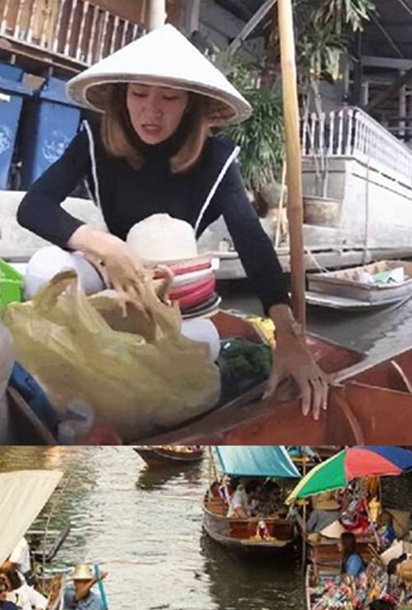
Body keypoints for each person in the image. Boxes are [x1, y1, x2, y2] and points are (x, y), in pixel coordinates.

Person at [16, 25, 328, 419]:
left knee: (207, 345)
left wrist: (287, 333)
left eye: (169, 97)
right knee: (45, 268)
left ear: (190, 104)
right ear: (122, 95)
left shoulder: (216, 158)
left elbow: (250, 239)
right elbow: (34, 206)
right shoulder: (94, 138)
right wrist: (107, 247)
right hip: (115, 275)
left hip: (175, 297)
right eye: (139, 94)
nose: (152, 111)